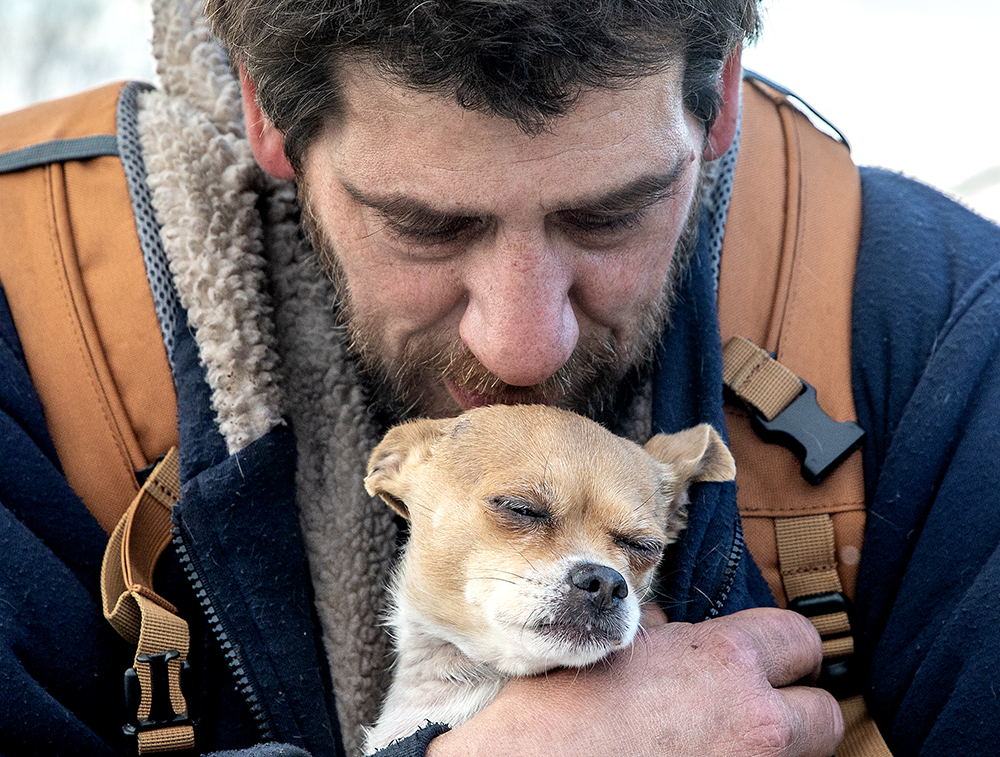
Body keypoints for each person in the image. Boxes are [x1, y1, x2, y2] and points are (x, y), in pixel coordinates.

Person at [1, 0, 998, 756]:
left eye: (609, 216)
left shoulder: (929, 328)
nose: (524, 346)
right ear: (270, 114)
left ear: (722, 94)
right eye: (425, 224)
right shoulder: (34, 319)